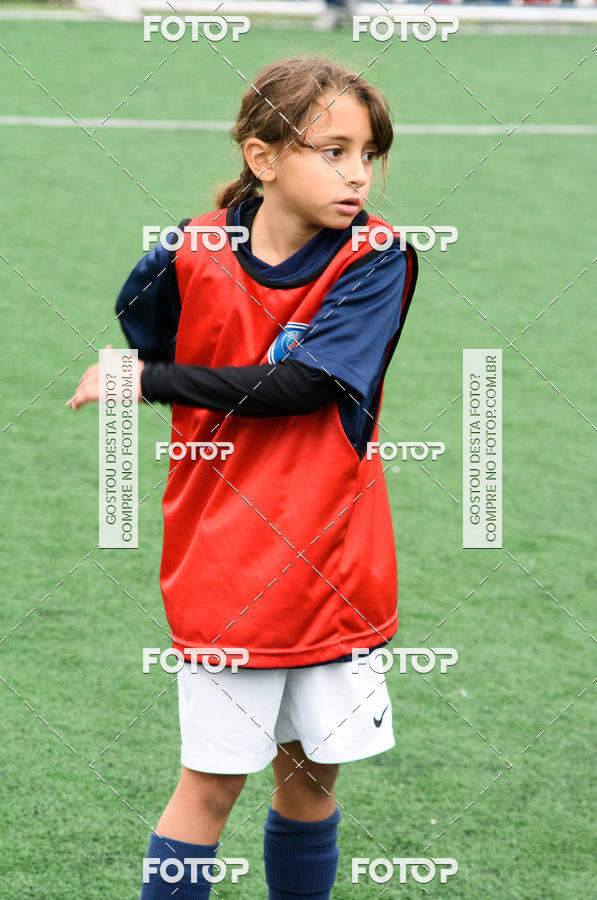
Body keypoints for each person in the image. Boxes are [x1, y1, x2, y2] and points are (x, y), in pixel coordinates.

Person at [67, 55, 418, 900]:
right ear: (262, 158)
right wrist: (150, 370)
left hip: (335, 564)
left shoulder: (378, 259)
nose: (357, 174)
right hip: (228, 567)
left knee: (311, 779)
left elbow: (303, 387)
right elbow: (147, 329)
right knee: (212, 785)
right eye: (331, 150)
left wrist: (147, 381)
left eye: (367, 153)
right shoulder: (183, 254)